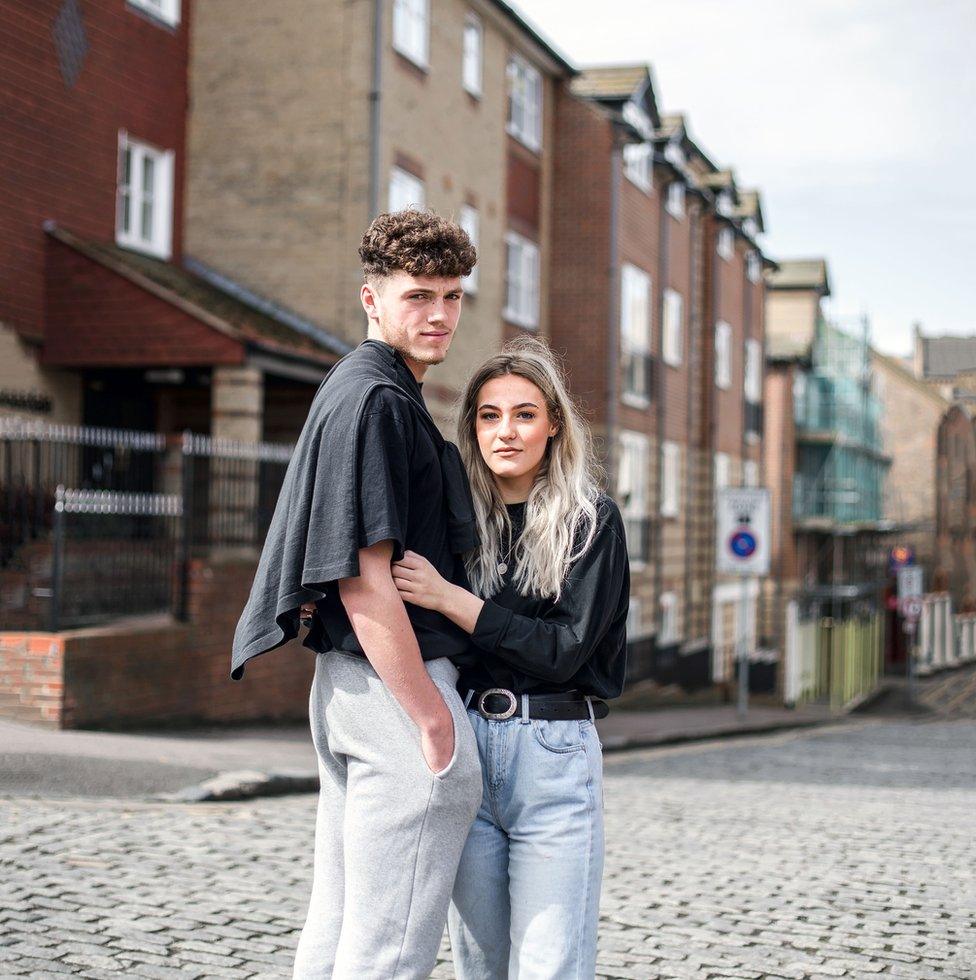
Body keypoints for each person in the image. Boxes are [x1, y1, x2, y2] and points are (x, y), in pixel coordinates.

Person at [231, 209, 484, 979]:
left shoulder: (362, 387)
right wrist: (430, 716)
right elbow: (364, 577)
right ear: (372, 298)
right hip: (391, 689)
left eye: (452, 296)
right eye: (418, 296)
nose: (439, 314)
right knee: (391, 943)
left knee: (343, 921)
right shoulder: (376, 400)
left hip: (351, 687)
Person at [391, 337, 630, 979]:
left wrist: (453, 601)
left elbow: (564, 652)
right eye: (489, 415)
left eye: (525, 414)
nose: (506, 431)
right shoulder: (456, 521)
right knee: (480, 965)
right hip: (466, 748)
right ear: (472, 427)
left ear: (553, 425)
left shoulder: (589, 521)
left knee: (549, 964)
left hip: (551, 751)